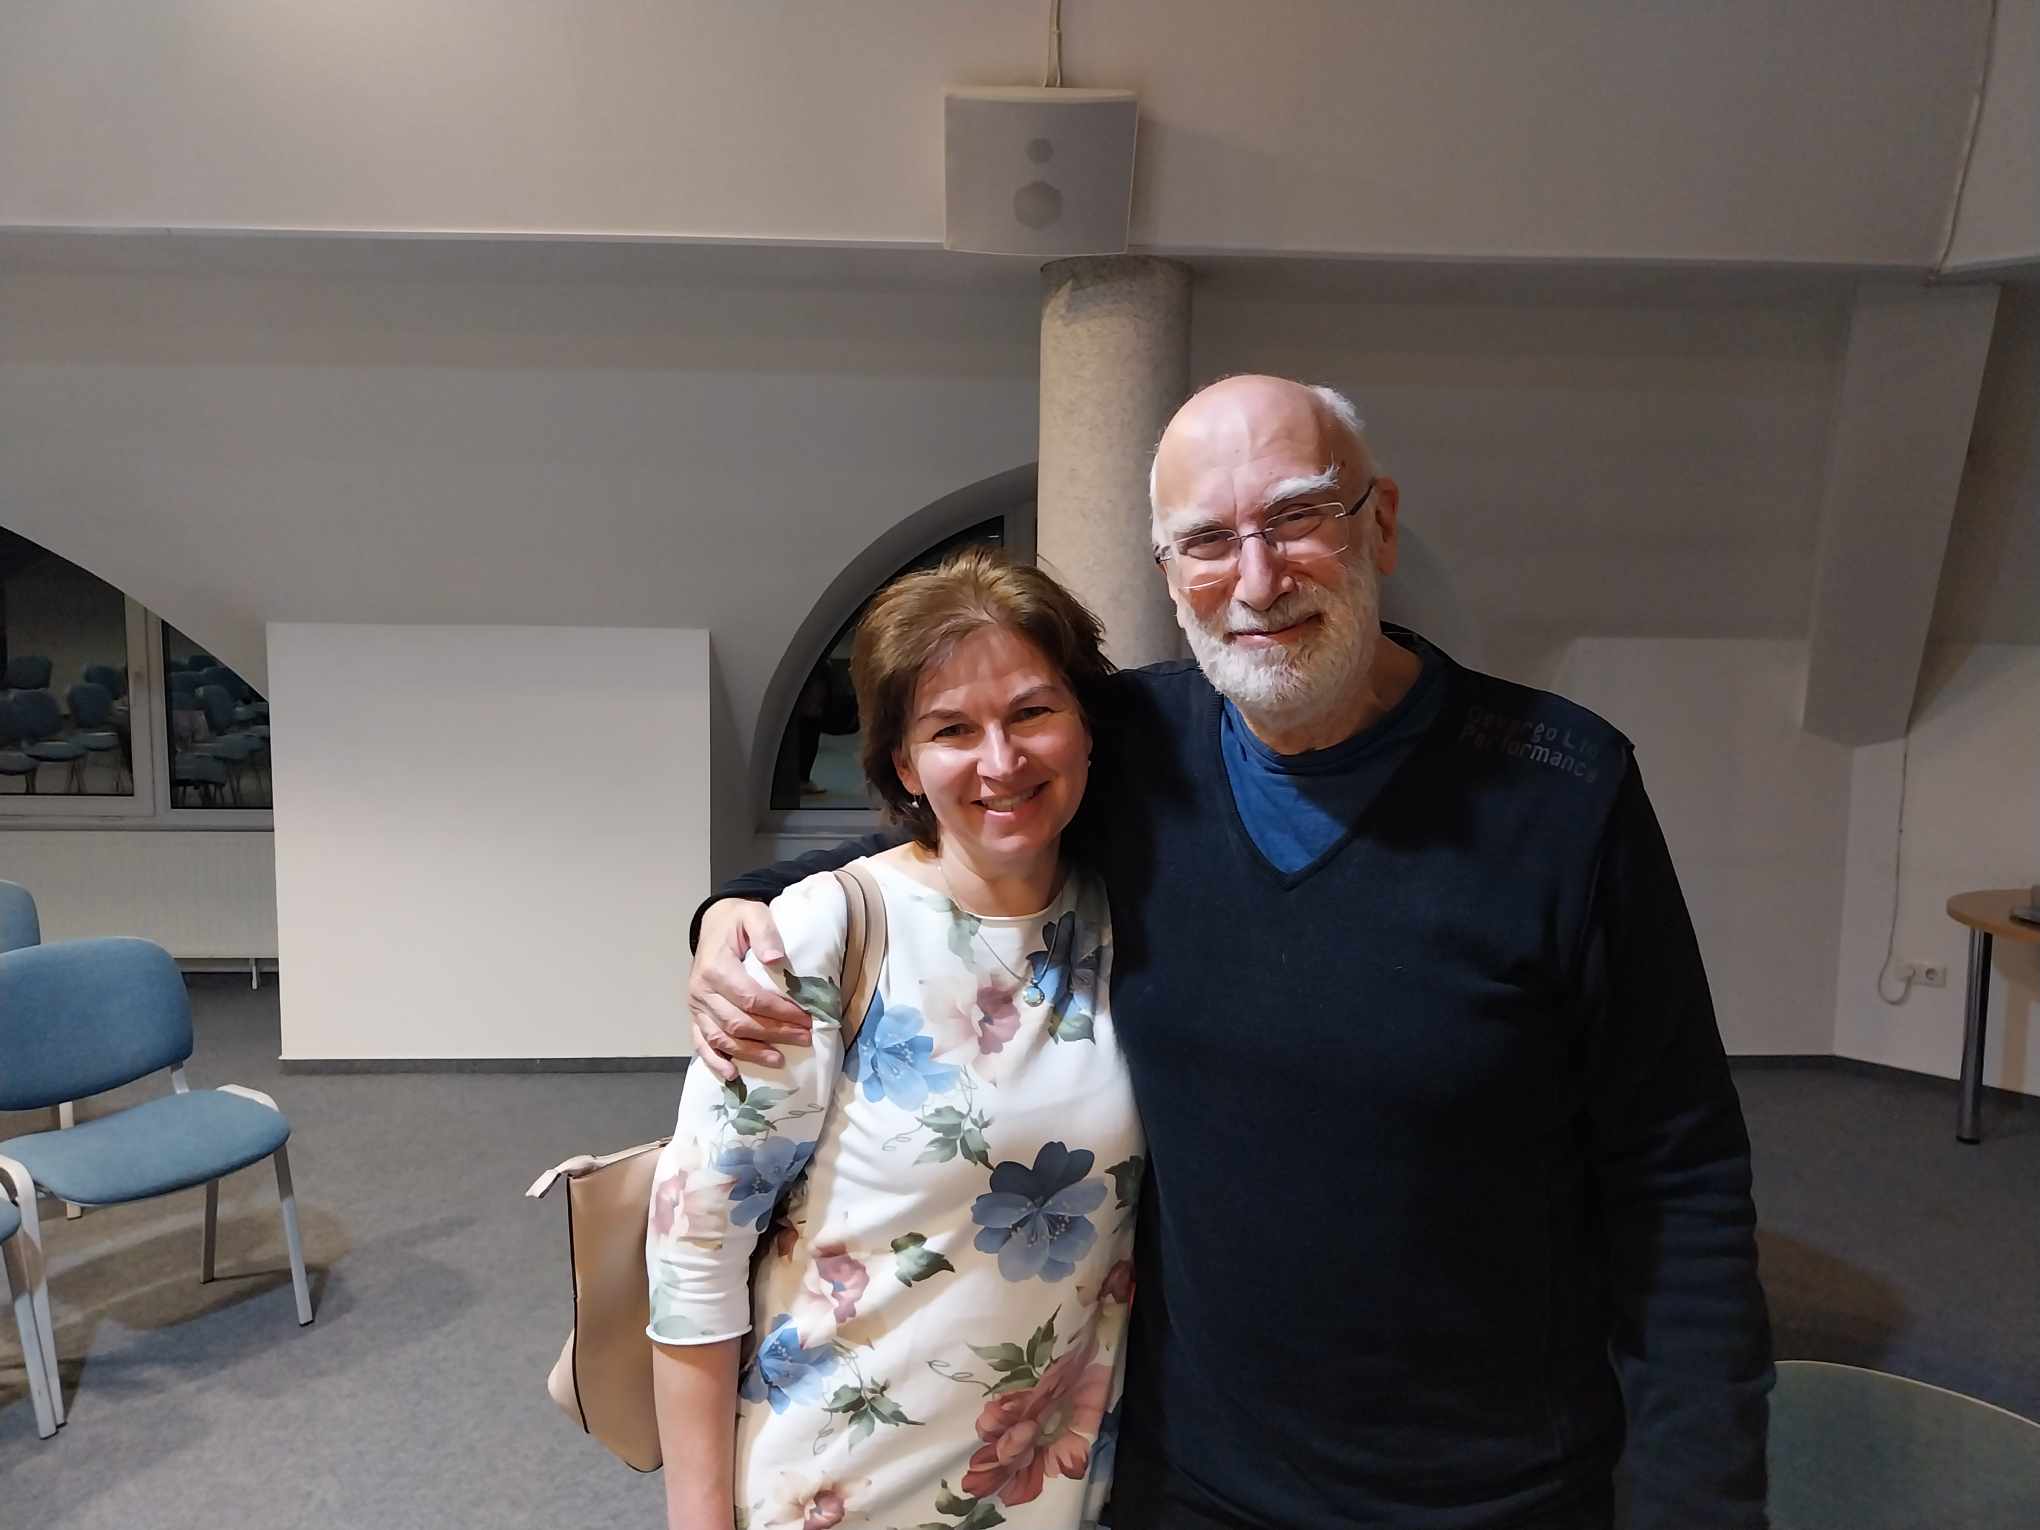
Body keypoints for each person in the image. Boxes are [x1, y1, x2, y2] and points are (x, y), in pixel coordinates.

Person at [689, 375, 1773, 1530]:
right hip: (1194, 1485)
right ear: (1169, 572)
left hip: (1491, 1491)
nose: (1256, 580)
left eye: (1297, 517)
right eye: (1207, 540)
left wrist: (1700, 1504)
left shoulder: (1562, 790)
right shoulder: (1142, 747)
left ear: (1380, 523)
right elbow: (954, 825)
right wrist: (736, 911)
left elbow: (1680, 1179)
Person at [647, 547, 1142, 1530]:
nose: (1001, 760)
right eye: (952, 729)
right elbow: (693, 1253)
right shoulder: (823, 934)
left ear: (1087, 725)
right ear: (905, 764)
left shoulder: (1127, 920)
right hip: (837, 1487)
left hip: (1045, 1488)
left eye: (1032, 712)